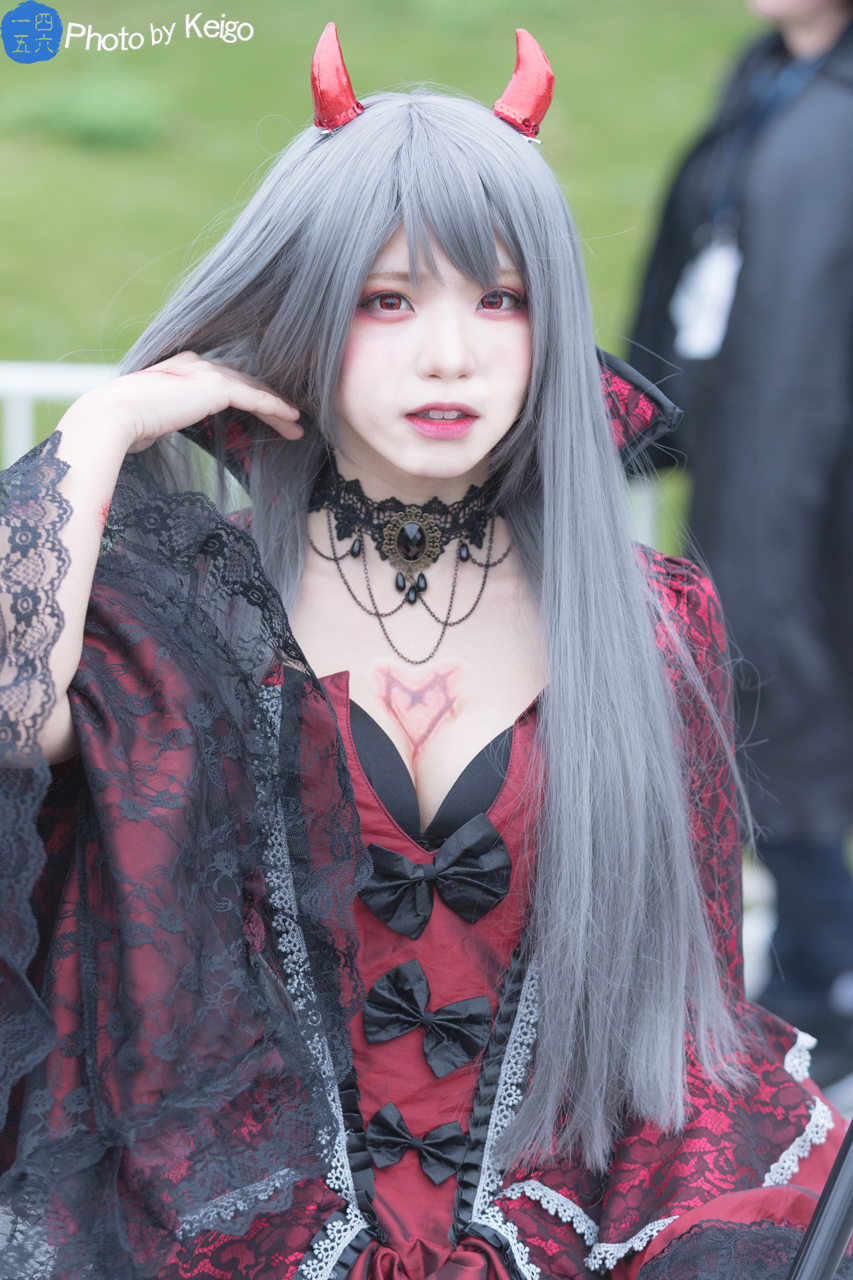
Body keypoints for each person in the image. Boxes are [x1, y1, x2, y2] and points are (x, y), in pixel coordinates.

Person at [0, 24, 847, 1280]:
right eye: (386, 299)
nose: (449, 352)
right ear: (301, 309)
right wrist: (104, 421)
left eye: (500, 299)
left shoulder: (648, 623)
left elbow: (682, 1026)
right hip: (226, 1237)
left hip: (568, 1239)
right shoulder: (180, 606)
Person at [629, 0, 853, 1085]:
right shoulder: (767, 76)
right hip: (748, 463)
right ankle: (812, 972)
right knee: (758, 710)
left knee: (778, 709)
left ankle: (821, 979)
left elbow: (806, 353)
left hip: (806, 486)